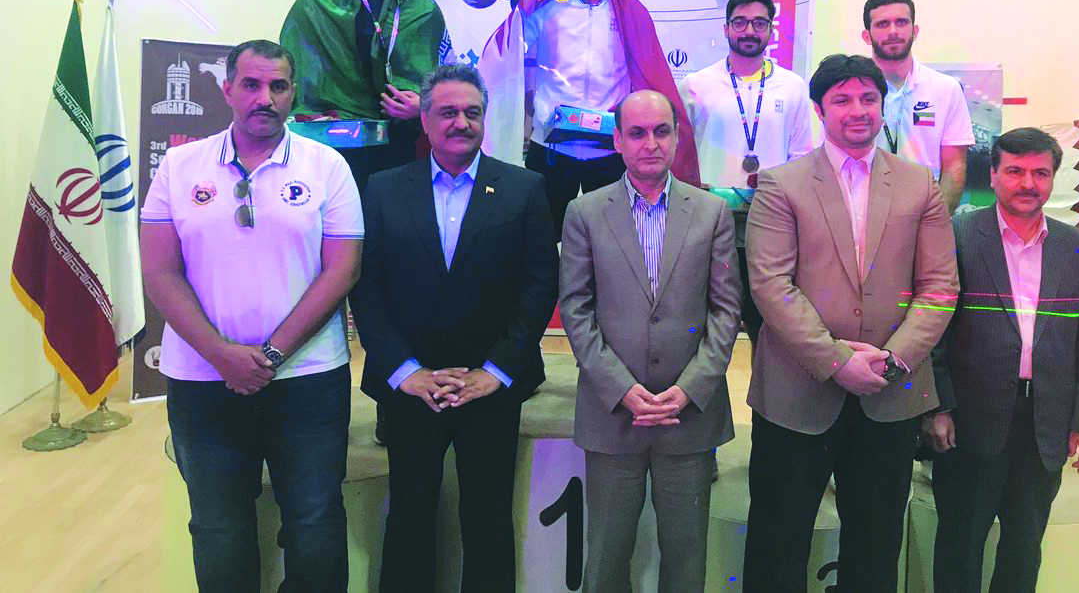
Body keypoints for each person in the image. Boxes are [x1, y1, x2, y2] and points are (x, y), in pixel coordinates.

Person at [140, 40, 363, 593]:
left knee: (315, 524)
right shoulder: (178, 166)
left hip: (308, 381)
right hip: (202, 383)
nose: (265, 98)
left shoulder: (328, 166)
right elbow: (160, 273)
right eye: (252, 85)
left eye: (278, 86)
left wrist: (269, 356)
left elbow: (342, 271)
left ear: (293, 95)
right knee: (217, 527)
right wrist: (221, 356)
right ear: (228, 90)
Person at [741, 54, 958, 592]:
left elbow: (939, 286)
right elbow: (771, 285)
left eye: (868, 98)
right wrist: (837, 360)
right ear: (819, 110)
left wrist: (893, 358)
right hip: (797, 394)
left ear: (882, 107)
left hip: (890, 395)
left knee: (876, 544)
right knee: (778, 540)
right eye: (841, 99)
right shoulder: (780, 184)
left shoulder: (919, 185)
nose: (857, 110)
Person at [349, 64, 559, 593]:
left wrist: (495, 371)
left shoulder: (524, 189)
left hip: (488, 389)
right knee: (410, 517)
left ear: (485, 118)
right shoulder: (382, 189)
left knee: (487, 521)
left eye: (472, 112)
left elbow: (538, 290)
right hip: (409, 389)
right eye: (447, 112)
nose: (461, 122)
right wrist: (406, 372)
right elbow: (366, 288)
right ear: (424, 119)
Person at [558, 89, 742, 593]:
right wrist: (620, 388)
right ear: (617, 140)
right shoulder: (586, 213)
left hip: (689, 417)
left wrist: (690, 388)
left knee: (686, 560)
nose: (650, 143)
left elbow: (727, 310)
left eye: (661, 131)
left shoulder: (711, 213)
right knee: (606, 559)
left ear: (677, 137)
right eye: (637, 132)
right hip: (613, 414)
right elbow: (576, 310)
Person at [923, 127, 1079, 593]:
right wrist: (936, 405)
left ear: (1052, 178)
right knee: (959, 544)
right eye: (1015, 171)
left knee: (1025, 549)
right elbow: (932, 330)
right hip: (968, 418)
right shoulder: (957, 235)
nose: (1028, 183)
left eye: (1040, 173)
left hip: (1043, 422)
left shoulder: (1076, 246)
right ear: (993, 174)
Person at [485, 0, 699, 239]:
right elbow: (507, 51)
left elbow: (650, 79)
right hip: (551, 150)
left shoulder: (633, 12)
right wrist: (522, 11)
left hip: (609, 153)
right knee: (543, 242)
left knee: (613, 247)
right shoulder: (546, 4)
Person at [280, 0, 451, 189]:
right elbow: (287, 80)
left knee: (391, 233)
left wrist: (424, 104)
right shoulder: (316, 4)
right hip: (330, 152)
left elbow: (448, 84)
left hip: (399, 154)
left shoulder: (423, 10)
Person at [679, 0, 816, 346]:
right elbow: (681, 154)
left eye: (759, 23)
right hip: (710, 219)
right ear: (726, 28)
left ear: (771, 30)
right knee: (706, 326)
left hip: (772, 221)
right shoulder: (696, 84)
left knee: (767, 327)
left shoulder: (793, 86)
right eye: (740, 22)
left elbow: (802, 157)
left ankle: (766, 403)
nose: (749, 31)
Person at [862, 0, 974, 211]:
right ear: (867, 36)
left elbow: (954, 166)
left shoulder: (945, 88)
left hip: (922, 211)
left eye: (901, 22)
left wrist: (936, 220)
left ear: (914, 31)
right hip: (861, 211)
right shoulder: (852, 89)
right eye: (882, 24)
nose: (893, 31)